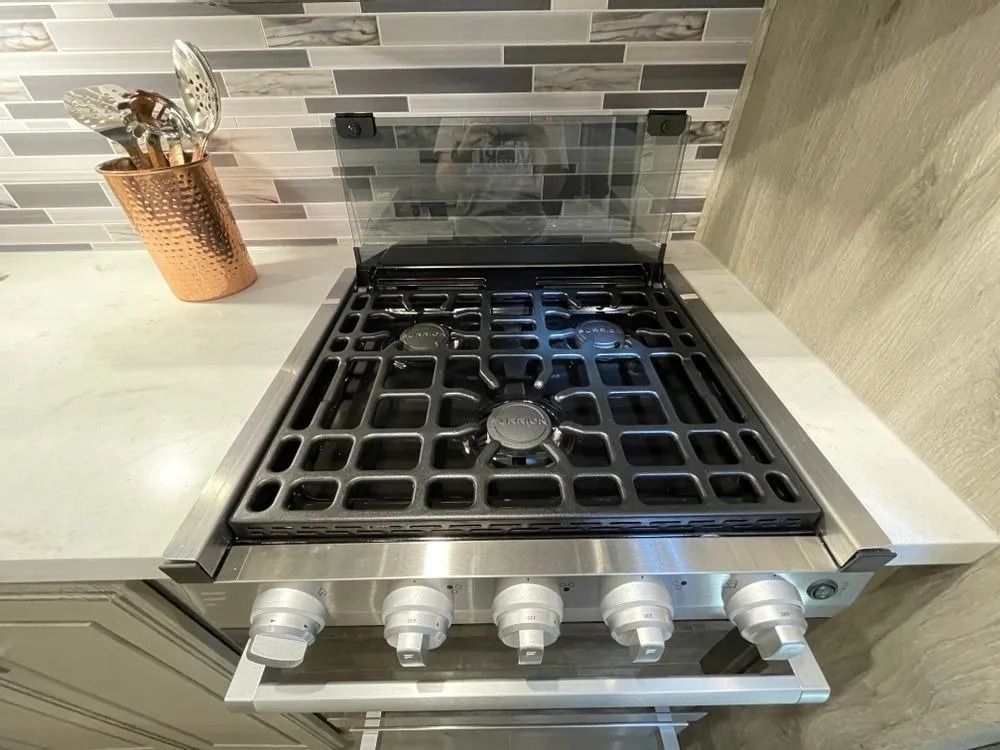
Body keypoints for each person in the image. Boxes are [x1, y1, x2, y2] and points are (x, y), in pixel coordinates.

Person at [433, 120, 568, 243]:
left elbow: (552, 191)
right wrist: (464, 150)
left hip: (529, 236)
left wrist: (550, 149)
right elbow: (445, 186)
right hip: (471, 237)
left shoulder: (544, 114)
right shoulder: (459, 109)